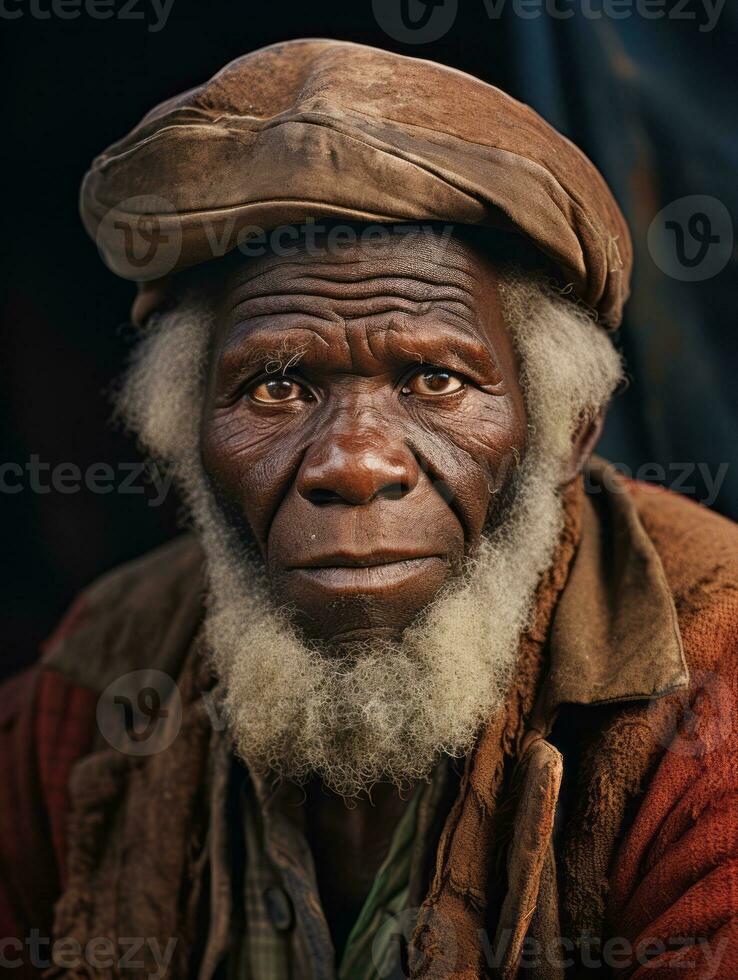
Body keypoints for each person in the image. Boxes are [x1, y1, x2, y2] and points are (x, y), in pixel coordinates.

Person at [1, 40, 736, 979]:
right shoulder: (99, 674)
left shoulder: (714, 696)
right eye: (275, 387)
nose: (354, 465)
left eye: (435, 379)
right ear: (186, 439)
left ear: (566, 435)